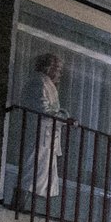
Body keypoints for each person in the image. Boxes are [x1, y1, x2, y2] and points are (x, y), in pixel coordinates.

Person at [22, 52, 67, 202]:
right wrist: (62, 117)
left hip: (47, 137)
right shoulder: (39, 82)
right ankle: (20, 205)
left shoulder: (47, 84)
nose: (59, 74)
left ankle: (26, 206)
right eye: (58, 69)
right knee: (32, 173)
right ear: (49, 68)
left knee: (40, 175)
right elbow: (41, 108)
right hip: (40, 135)